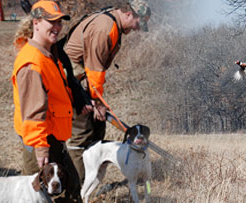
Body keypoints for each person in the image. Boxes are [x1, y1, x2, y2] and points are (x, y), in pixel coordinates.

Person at [63, 0, 151, 185]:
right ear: (129, 14)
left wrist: (97, 101)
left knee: (97, 131)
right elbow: (94, 70)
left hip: (82, 82)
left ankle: (92, 182)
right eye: (137, 23)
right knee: (82, 136)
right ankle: (77, 188)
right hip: (70, 84)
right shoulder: (105, 28)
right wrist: (97, 102)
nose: (136, 29)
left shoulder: (112, 22)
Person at [12, 1, 81, 202]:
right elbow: (33, 112)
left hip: (52, 138)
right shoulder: (33, 62)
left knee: (67, 188)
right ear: (36, 23)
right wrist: (41, 149)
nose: (57, 27)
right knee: (36, 197)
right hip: (41, 141)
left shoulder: (48, 54)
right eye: (52, 21)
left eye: (59, 22)